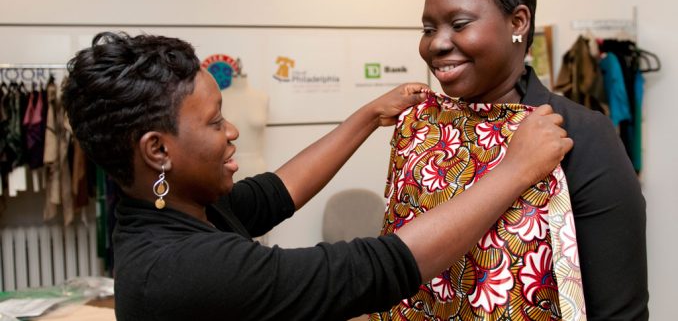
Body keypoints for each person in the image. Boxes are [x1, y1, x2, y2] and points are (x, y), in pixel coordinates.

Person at [61, 31, 571, 321]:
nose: (232, 130)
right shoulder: (177, 268)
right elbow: (375, 268)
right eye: (215, 121)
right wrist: (515, 170)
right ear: (158, 150)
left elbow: (280, 190)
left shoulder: (171, 207)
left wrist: (369, 117)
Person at [373, 0, 648, 320]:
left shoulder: (579, 134)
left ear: (518, 22)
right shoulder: (422, 126)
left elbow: (619, 308)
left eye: (459, 24)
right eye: (428, 28)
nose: (435, 44)